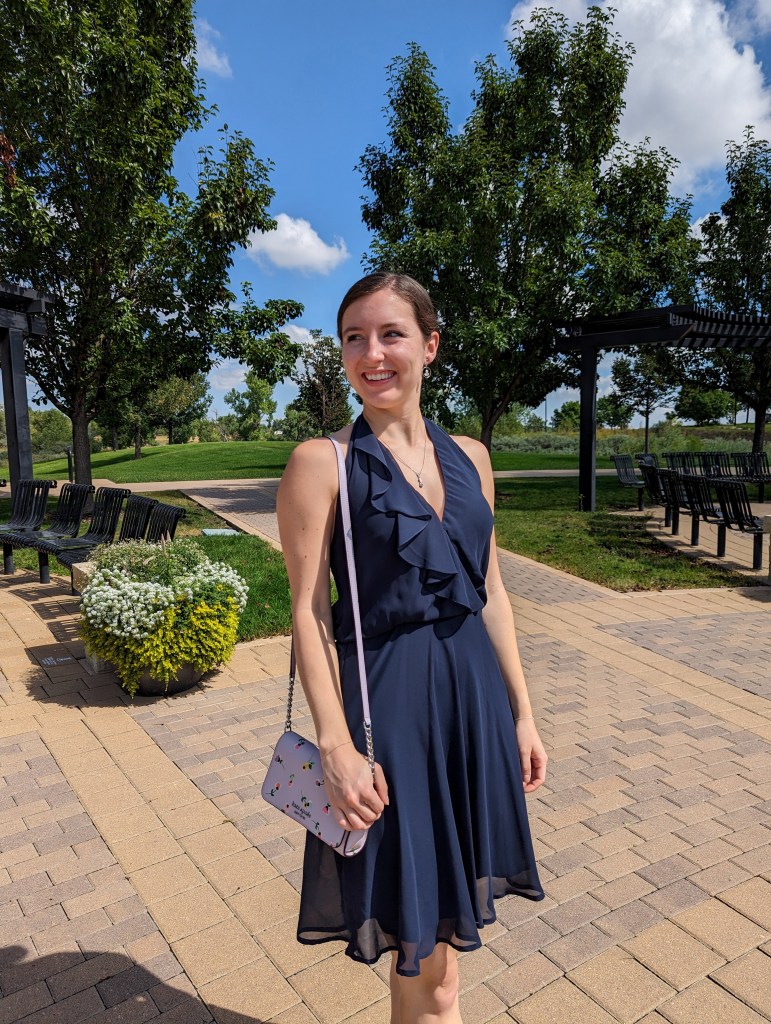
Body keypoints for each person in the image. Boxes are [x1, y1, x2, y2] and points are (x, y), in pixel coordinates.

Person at [276, 272, 547, 1024]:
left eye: (391, 334)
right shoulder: (321, 463)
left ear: (429, 346)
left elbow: (491, 589)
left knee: (440, 957)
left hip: (471, 706)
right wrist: (335, 746)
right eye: (353, 338)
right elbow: (308, 614)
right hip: (388, 717)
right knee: (430, 969)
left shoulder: (472, 456)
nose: (371, 354)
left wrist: (522, 712)